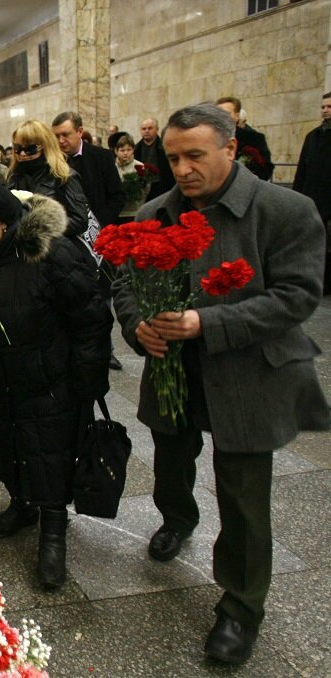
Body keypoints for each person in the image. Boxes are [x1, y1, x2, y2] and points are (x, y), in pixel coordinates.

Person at [113, 103, 330, 665]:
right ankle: (176, 518)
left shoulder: (286, 210)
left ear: (231, 149)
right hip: (174, 374)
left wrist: (207, 323)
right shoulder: (155, 212)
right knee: (170, 459)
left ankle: (240, 608)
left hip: (247, 376)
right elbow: (126, 283)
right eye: (173, 157)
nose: (182, 169)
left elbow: (297, 296)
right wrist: (137, 326)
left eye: (195, 156)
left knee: (242, 499)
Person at [0, 180, 111, 589]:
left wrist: (87, 380)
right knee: (7, 447)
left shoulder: (50, 253)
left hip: (49, 381)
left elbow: (92, 317)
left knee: (49, 454)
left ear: (3, 221)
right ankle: (20, 503)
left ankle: (53, 528)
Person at [5, 120, 90, 250]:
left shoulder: (64, 176)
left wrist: (39, 226)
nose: (22, 154)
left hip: (58, 253)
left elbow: (80, 221)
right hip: (20, 252)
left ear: (45, 147)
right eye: (17, 148)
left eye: (30, 149)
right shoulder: (13, 176)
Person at [52, 111, 125, 231]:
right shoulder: (51, 162)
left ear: (80, 132)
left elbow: (117, 197)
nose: (60, 141)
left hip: (100, 230)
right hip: (65, 233)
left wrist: (100, 225)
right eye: (56, 136)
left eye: (65, 135)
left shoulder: (102, 157)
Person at [292, 91, 331, 293]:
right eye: (323, 107)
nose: (325, 111)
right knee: (315, 243)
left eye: (329, 107)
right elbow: (303, 169)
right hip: (314, 198)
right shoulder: (313, 136)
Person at [216, 97, 273, 181]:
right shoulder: (208, 138)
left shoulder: (254, 138)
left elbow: (265, 168)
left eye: (226, 114)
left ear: (237, 116)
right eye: (218, 114)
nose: (222, 117)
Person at [134, 117, 177, 200]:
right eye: (144, 129)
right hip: (142, 188)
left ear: (157, 129)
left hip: (162, 187)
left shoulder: (165, 147)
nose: (146, 131)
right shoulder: (136, 149)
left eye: (150, 128)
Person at [113, 133, 150, 219]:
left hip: (135, 211)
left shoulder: (140, 166)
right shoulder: (112, 167)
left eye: (129, 150)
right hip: (118, 212)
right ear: (116, 151)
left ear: (133, 150)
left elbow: (146, 189)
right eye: (122, 150)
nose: (125, 153)